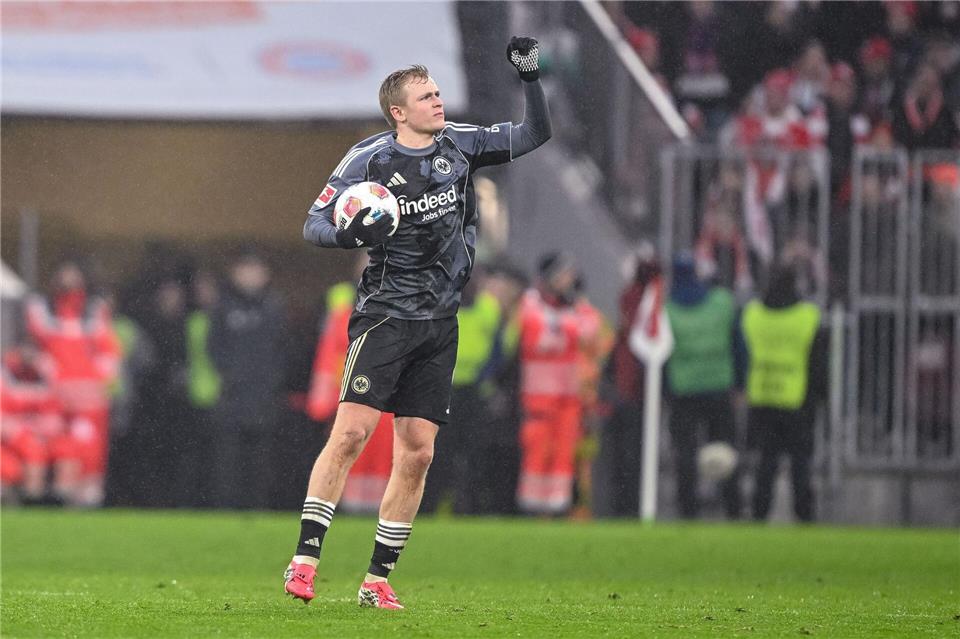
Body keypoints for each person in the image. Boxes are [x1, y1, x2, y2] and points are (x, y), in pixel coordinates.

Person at [287, 37, 551, 609]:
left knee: (419, 452)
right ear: (398, 112)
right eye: (426, 96)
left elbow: (534, 134)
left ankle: (377, 581)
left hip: (440, 322)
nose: (438, 101)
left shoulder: (461, 143)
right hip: (385, 318)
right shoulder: (368, 160)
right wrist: (349, 234)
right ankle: (305, 562)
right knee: (351, 434)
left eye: (437, 92)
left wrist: (530, 78)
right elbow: (313, 224)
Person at [24, 261, 120, 506]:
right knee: (54, 443)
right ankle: (55, 492)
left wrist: (99, 384)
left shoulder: (94, 313)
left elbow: (109, 352)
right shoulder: (41, 311)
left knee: (88, 445)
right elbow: (35, 351)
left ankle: (87, 493)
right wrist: (49, 375)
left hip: (89, 398)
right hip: (55, 397)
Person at [742, 263, 826, 522]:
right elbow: (818, 363)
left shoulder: (753, 314)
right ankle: (804, 513)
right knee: (800, 462)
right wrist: (820, 396)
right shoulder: (807, 317)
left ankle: (759, 512)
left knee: (766, 461)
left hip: (762, 395)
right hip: (797, 398)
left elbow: (743, 353)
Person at [209, 249, 288, 509]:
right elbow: (214, 347)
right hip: (232, 396)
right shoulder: (223, 307)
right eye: (245, 270)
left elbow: (283, 349)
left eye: (256, 270)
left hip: (264, 397)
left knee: (261, 459)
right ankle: (226, 508)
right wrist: (231, 375)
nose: (250, 276)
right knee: (227, 458)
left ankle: (258, 507)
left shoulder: (274, 307)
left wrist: (272, 380)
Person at [664, 253, 742, 519]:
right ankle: (732, 506)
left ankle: (687, 509)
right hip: (718, 385)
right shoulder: (721, 303)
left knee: (685, 453)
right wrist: (740, 383)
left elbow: (663, 354)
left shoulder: (668, 310)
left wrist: (665, 392)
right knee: (725, 449)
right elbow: (738, 345)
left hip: (683, 389)